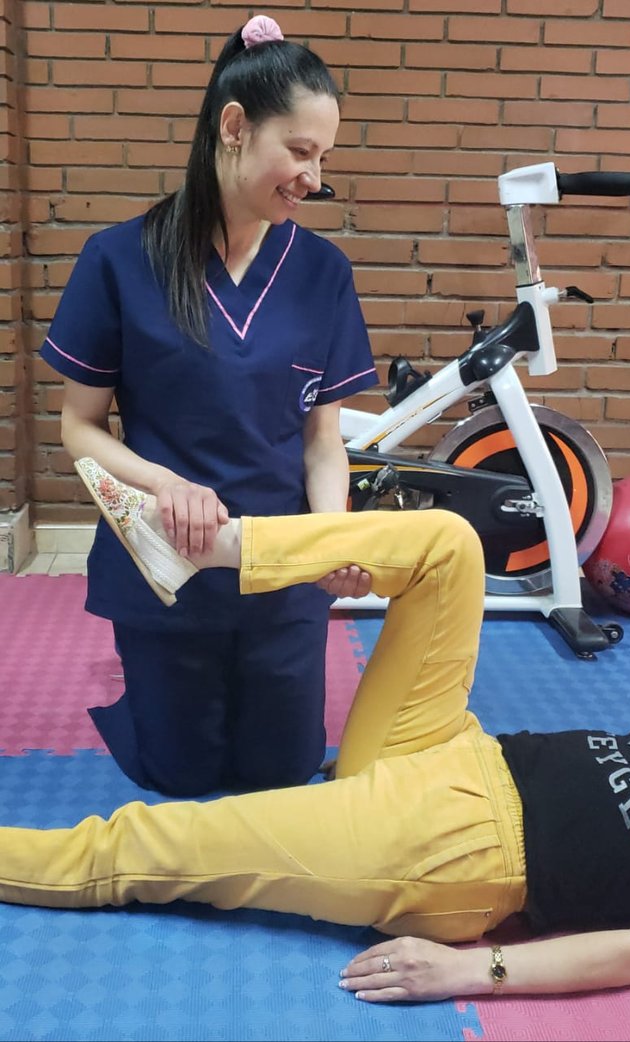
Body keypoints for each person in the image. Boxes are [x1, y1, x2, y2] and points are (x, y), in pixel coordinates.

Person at [0, 458, 630, 1002]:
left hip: (460, 849)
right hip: (454, 751)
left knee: (144, 845)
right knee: (446, 543)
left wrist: (473, 972)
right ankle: (209, 549)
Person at [39, 16, 378, 797]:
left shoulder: (323, 272)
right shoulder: (118, 259)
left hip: (281, 571)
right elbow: (78, 427)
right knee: (180, 777)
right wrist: (166, 485)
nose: (315, 177)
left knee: (279, 773)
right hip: (167, 568)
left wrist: (333, 535)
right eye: (300, 151)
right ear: (233, 128)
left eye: (324, 158)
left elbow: (322, 441)